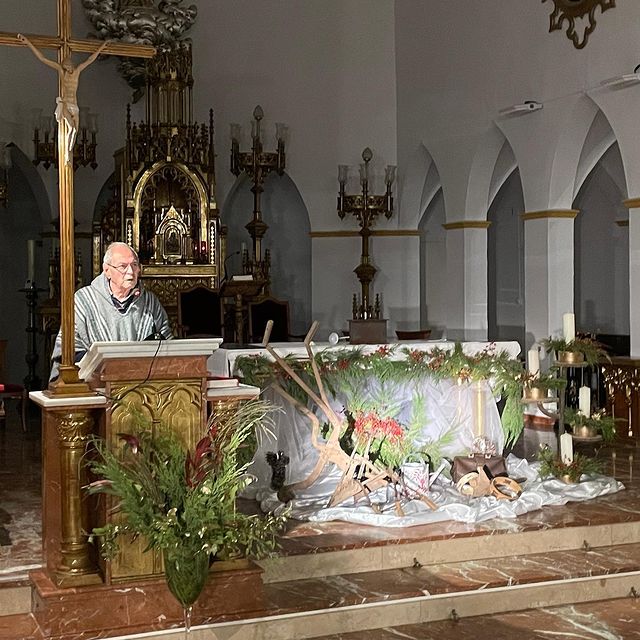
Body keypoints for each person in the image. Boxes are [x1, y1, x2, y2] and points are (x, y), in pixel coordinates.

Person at [50, 242, 172, 381]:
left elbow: (167, 346)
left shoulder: (150, 302)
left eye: (134, 265)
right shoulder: (84, 301)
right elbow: (69, 351)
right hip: (95, 383)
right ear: (107, 270)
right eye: (123, 266)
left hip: (141, 382)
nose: (130, 271)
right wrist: (104, 367)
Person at [17, 34, 109, 165]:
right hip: (65, 104)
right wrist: (28, 43)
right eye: (65, 67)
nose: (67, 69)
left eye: (68, 66)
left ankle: (68, 152)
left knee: (75, 130)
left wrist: (101, 47)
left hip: (74, 106)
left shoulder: (77, 72)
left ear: (72, 65)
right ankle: (67, 155)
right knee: (71, 128)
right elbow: (43, 58)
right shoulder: (61, 72)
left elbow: (90, 60)